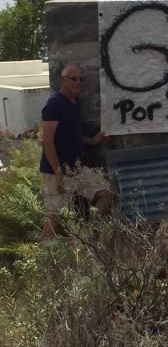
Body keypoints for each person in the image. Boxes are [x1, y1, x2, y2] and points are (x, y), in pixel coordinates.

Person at [40, 63, 115, 239]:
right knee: (54, 215)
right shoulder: (54, 104)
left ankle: (90, 236)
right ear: (63, 80)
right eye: (73, 78)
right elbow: (46, 140)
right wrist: (58, 170)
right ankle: (42, 260)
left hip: (76, 168)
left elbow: (72, 135)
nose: (78, 82)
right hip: (55, 171)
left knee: (108, 192)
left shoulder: (75, 103)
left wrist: (93, 140)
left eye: (81, 79)